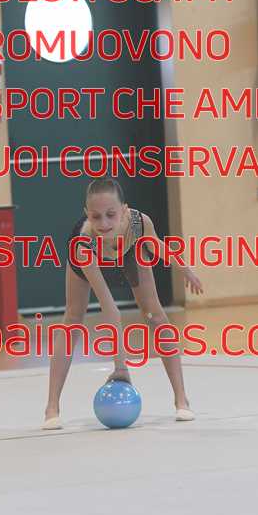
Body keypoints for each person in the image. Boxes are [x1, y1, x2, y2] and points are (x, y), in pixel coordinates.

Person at [43, 177, 203, 429]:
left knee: (155, 315)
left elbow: (157, 246)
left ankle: (181, 399)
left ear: (125, 210)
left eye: (111, 214)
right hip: (91, 257)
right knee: (72, 318)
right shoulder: (83, 243)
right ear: (87, 214)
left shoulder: (139, 223)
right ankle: (52, 407)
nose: (103, 224)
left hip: (130, 253)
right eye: (95, 217)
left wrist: (185, 270)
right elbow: (110, 309)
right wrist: (121, 367)